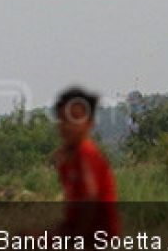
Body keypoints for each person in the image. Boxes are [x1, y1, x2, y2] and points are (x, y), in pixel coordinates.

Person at [54, 87, 119, 236]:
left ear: (89, 123)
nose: (68, 126)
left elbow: (90, 201)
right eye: (63, 119)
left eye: (75, 119)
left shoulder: (87, 155)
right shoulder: (66, 160)